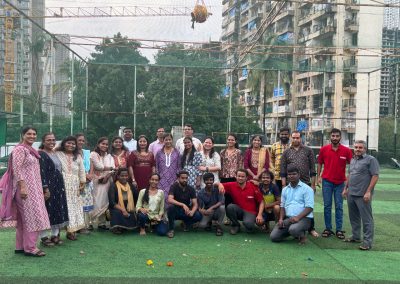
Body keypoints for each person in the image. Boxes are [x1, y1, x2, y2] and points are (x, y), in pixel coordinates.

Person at [0, 127, 50, 257]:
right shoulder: (20, 150)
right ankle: (31, 248)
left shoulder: (31, 151)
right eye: (29, 134)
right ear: (22, 135)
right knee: (33, 218)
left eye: (34, 134)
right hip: (25, 189)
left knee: (24, 220)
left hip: (33, 189)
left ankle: (20, 247)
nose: (32, 136)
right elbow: (17, 169)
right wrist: (23, 187)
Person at [280, 131, 318, 238]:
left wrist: (313, 185)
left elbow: (312, 169)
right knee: (292, 205)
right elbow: (283, 169)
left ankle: (311, 228)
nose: (295, 140)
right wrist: (283, 184)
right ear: (291, 138)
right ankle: (291, 226)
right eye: (293, 138)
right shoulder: (286, 152)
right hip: (290, 184)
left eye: (297, 138)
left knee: (308, 206)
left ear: (301, 138)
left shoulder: (308, 150)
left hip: (305, 182)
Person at [342, 140, 379, 251]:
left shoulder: (371, 160)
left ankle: (367, 242)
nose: (358, 149)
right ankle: (356, 236)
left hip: (363, 195)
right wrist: (345, 188)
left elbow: (375, 176)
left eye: (360, 147)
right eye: (356, 147)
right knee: (354, 217)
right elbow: (350, 174)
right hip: (351, 193)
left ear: (365, 149)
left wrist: (368, 191)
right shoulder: (353, 159)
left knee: (366, 219)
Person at [317, 128, 352, 239]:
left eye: (337, 136)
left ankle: (339, 230)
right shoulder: (324, 149)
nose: (335, 138)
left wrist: (348, 180)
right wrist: (319, 176)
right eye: (333, 136)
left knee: (339, 206)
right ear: (330, 137)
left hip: (340, 183)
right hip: (327, 181)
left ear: (340, 137)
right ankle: (328, 228)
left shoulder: (346, 151)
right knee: (327, 206)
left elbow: (353, 165)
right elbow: (319, 163)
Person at [38, 133, 69, 246]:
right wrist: (45, 188)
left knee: (58, 209)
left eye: (53, 140)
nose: (51, 142)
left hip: (58, 186)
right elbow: (42, 172)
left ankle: (55, 235)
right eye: (48, 140)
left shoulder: (55, 153)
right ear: (43, 141)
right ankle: (44, 236)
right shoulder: (40, 154)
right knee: (47, 210)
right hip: (48, 186)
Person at [270, 166, 314, 245]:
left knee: (293, 229)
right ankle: (293, 232)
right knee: (274, 237)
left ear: (299, 175)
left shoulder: (307, 189)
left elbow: (310, 208)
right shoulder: (285, 189)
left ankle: (301, 235)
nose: (291, 176)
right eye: (289, 174)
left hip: (304, 219)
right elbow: (282, 206)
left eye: (294, 174)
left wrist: (298, 217)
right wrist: (280, 219)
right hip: (289, 219)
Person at [56, 136, 86, 241]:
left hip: (74, 184)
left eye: (73, 144)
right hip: (61, 183)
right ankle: (57, 233)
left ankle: (71, 231)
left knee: (73, 207)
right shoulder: (58, 154)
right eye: (68, 143)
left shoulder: (77, 156)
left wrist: (82, 183)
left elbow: (81, 170)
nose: (71, 145)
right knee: (61, 206)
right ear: (63, 143)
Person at [219, 169, 264, 234]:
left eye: (243, 176)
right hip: (239, 210)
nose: (240, 178)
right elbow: (216, 184)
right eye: (239, 176)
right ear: (236, 177)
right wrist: (219, 184)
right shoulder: (232, 185)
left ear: (246, 178)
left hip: (251, 212)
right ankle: (236, 225)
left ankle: (249, 222)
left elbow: (261, 201)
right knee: (230, 207)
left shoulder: (253, 186)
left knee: (249, 226)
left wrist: (259, 215)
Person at [167, 171, 202, 238]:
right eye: (182, 178)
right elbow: (170, 199)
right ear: (178, 178)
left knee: (198, 215)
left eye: (186, 178)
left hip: (186, 211)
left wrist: (192, 211)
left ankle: (186, 223)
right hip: (176, 210)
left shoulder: (191, 189)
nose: (185, 180)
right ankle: (171, 229)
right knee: (171, 208)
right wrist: (182, 204)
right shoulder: (174, 187)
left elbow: (195, 204)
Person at [90, 137, 114, 230]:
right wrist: (111, 169)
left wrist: (107, 176)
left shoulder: (109, 156)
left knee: (105, 202)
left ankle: (102, 223)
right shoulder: (93, 154)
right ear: (98, 144)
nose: (104, 145)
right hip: (96, 181)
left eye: (106, 144)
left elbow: (114, 168)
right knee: (96, 201)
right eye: (102, 143)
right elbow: (98, 166)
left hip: (107, 181)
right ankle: (90, 222)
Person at [108, 168, 138, 234]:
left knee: (134, 213)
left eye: (126, 175)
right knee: (117, 212)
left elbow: (136, 198)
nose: (124, 177)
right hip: (118, 209)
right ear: (118, 176)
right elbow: (112, 203)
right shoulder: (113, 186)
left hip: (129, 209)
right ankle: (117, 227)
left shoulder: (131, 186)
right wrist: (123, 210)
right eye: (122, 176)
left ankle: (125, 226)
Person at [76, 133, 94, 233]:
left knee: (86, 204)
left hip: (88, 180)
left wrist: (90, 175)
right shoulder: (73, 153)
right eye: (79, 140)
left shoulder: (86, 152)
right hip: (78, 180)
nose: (81, 142)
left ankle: (85, 225)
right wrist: (84, 176)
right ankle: (79, 226)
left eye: (83, 140)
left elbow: (91, 164)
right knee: (79, 203)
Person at [155, 133, 181, 204]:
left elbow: (179, 167)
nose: (168, 141)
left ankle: (170, 214)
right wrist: (157, 178)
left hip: (173, 179)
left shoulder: (177, 152)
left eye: (169, 139)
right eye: (166, 140)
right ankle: (161, 213)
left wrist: (178, 179)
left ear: (172, 140)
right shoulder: (159, 153)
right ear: (163, 141)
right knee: (161, 196)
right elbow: (156, 166)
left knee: (172, 196)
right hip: (161, 180)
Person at [270, 127, 290, 192]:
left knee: (288, 195)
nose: (284, 136)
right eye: (282, 134)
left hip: (289, 175)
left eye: (286, 134)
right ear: (279, 135)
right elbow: (271, 160)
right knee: (277, 195)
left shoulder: (292, 146)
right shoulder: (274, 146)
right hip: (277, 176)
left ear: (289, 135)